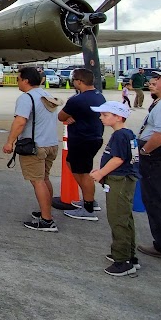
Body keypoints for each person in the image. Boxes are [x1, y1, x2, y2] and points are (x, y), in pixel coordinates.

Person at [3, 67, 61, 232]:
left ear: (26, 80)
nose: (18, 82)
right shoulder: (46, 96)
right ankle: (46, 211)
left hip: (35, 146)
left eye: (18, 79)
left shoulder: (26, 98)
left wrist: (10, 142)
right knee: (45, 178)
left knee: (37, 181)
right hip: (51, 144)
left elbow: (20, 122)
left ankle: (46, 220)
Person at [88, 102, 140, 276]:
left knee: (117, 218)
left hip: (120, 180)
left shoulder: (119, 135)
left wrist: (101, 173)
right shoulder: (128, 134)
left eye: (105, 115)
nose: (101, 117)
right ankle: (129, 255)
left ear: (118, 117)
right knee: (125, 217)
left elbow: (118, 159)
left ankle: (122, 260)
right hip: (125, 179)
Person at [59, 67, 105, 221]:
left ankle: (89, 207)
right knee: (73, 165)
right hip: (94, 137)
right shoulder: (99, 96)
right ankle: (88, 198)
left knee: (83, 172)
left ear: (79, 82)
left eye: (74, 81)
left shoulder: (77, 100)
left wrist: (70, 116)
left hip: (82, 139)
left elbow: (61, 116)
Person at [136, 69, 161, 260]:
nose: (154, 80)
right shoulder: (160, 103)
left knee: (155, 198)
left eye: (159, 78)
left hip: (155, 155)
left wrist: (145, 151)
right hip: (157, 155)